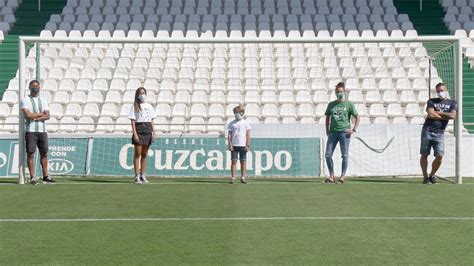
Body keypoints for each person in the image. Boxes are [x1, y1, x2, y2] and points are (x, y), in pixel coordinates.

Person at [420, 83, 457, 184]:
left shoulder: (452, 103)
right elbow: (431, 114)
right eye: (438, 91)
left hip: (440, 132)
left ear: (446, 90)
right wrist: (445, 115)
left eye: (442, 90)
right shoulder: (432, 101)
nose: (440, 93)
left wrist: (439, 113)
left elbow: (453, 115)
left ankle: (432, 174)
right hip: (427, 130)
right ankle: (425, 177)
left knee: (440, 156)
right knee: (424, 154)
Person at [20, 80, 55, 185]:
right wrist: (40, 114)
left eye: (37, 86)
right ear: (29, 87)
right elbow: (28, 115)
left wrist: (36, 118)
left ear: (39, 87)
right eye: (33, 86)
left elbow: (48, 116)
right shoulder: (25, 100)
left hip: (42, 130)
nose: (35, 88)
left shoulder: (43, 100)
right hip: (31, 130)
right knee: (31, 153)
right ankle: (32, 177)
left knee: (44, 153)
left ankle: (45, 176)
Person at [324, 82, 360, 184]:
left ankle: (342, 176)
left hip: (345, 133)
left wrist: (354, 129)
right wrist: (327, 129)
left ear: (344, 92)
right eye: (337, 92)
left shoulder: (349, 104)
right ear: (335, 93)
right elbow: (327, 117)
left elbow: (357, 117)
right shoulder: (331, 104)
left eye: (341, 92)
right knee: (328, 155)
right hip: (333, 133)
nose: (339, 93)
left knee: (344, 155)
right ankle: (331, 176)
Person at [128, 87, 156, 184]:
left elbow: (152, 119)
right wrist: (135, 133)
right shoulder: (135, 106)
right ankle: (136, 176)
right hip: (139, 129)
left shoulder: (149, 106)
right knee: (138, 153)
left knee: (144, 154)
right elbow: (133, 120)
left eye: (144, 93)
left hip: (147, 128)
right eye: (140, 93)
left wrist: (154, 131)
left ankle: (143, 174)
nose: (142, 95)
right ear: (137, 95)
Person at [227, 105, 251, 184]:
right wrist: (230, 144)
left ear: (242, 113)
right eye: (235, 112)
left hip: (243, 145)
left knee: (243, 161)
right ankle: (233, 177)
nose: (236, 114)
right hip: (234, 145)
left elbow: (248, 134)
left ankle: (243, 177)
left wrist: (247, 145)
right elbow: (229, 135)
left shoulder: (245, 123)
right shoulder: (231, 123)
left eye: (238, 112)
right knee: (234, 162)